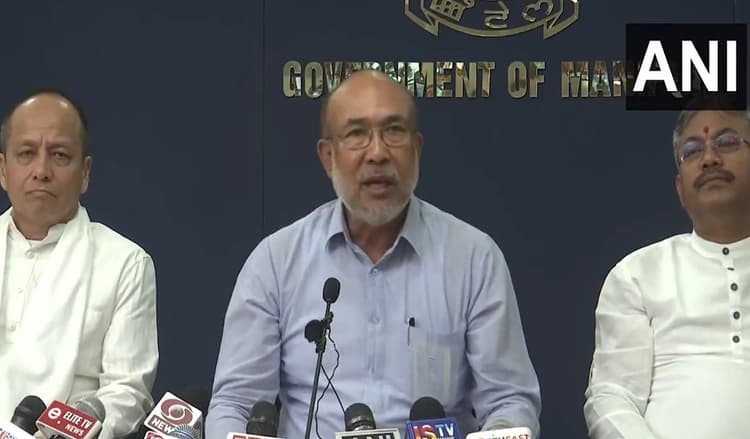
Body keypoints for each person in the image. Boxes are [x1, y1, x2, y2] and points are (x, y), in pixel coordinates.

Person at [206, 70, 541, 439]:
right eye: (356, 134)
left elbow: (509, 402)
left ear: (417, 149)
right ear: (328, 157)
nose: (378, 153)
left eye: (393, 131)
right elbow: (236, 404)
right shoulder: (275, 262)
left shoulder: (474, 259)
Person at [0, 90, 159, 439]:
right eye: (26, 154)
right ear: (3, 170)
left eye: (59, 155)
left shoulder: (125, 263)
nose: (41, 171)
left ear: (85, 173)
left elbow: (126, 392)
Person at [584, 107, 750, 438]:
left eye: (726, 142)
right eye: (692, 151)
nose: (709, 159)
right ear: (680, 189)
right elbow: (611, 398)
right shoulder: (637, 274)